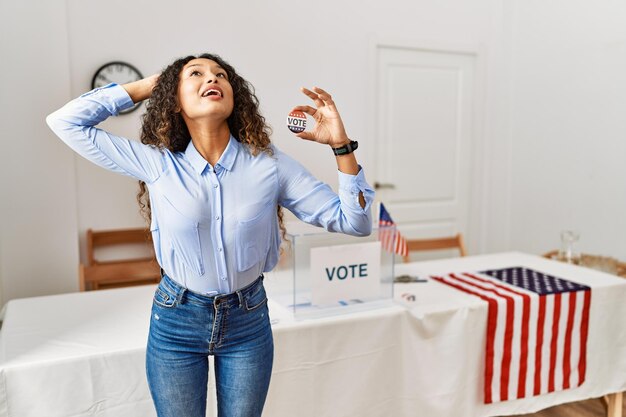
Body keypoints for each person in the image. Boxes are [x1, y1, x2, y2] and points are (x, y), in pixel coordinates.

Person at [46, 53, 374, 417]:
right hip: (176, 321)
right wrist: (148, 86)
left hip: (248, 321)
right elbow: (65, 123)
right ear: (174, 99)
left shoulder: (270, 164)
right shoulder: (157, 163)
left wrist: (341, 146)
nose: (212, 79)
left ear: (235, 97)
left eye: (221, 75)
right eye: (196, 74)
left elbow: (355, 222)